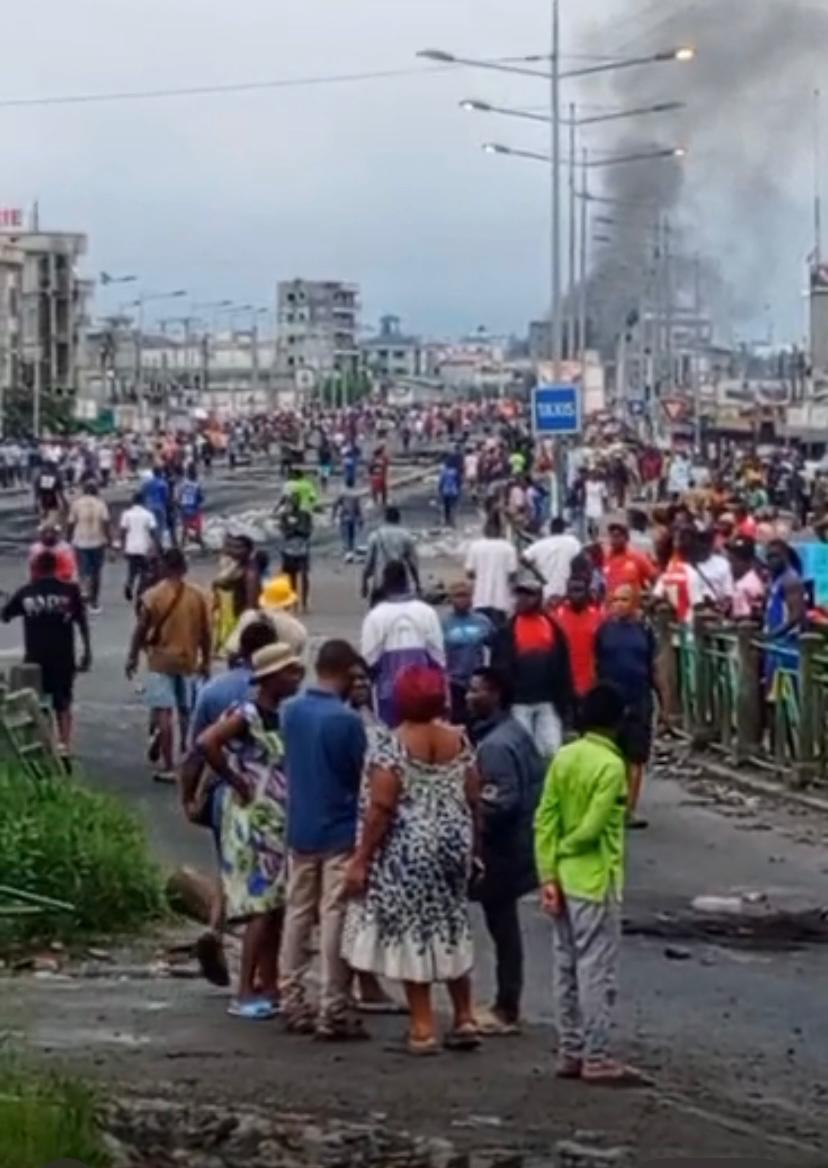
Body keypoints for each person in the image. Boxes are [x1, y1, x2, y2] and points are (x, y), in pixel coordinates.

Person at [342, 665, 481, 1055]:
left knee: (413, 933)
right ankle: (465, 1016)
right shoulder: (460, 741)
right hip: (454, 844)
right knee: (451, 924)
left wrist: (361, 859)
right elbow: (473, 796)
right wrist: (476, 847)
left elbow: (381, 808)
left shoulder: (392, 745)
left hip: (409, 850)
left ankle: (422, 1027)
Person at [535, 682, 637, 1083]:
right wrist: (567, 849)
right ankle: (596, 1055)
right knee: (596, 970)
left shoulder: (564, 756)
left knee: (565, 967)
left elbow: (545, 818)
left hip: (561, 880)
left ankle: (570, 1050)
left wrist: (549, 870)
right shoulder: (611, 766)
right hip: (595, 879)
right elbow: (593, 828)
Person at [198, 642, 304, 1019]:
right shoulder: (247, 714)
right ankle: (244, 989)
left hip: (274, 817)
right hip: (252, 820)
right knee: (260, 907)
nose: (297, 677)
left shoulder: (282, 715)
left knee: (275, 907)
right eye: (290, 672)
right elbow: (207, 742)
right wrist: (235, 780)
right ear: (270, 678)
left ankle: (269, 983)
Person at [181, 617, 280, 986]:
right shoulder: (276, 693)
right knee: (264, 881)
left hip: (221, 794)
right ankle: (258, 968)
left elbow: (194, 753)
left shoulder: (213, 690)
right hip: (262, 796)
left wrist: (188, 797)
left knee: (228, 865)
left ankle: (216, 930)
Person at [279, 639, 369, 1040]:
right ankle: (333, 1004)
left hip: (301, 825)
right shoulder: (346, 721)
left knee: (298, 912)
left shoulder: (291, 711)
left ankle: (292, 997)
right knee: (334, 915)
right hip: (339, 828)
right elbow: (361, 775)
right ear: (347, 672)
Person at [467, 667, 544, 1036]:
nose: (469, 697)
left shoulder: (496, 746)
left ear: (496, 694)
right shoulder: (515, 733)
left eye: (477, 691)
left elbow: (500, 801)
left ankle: (506, 1005)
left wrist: (471, 814)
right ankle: (506, 1000)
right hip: (521, 842)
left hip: (503, 848)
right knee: (504, 926)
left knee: (502, 926)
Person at [126, 548, 211, 783]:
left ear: (163, 567)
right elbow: (206, 632)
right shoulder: (198, 596)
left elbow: (141, 628)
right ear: (184, 568)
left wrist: (132, 656)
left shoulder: (153, 595)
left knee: (163, 712)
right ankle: (187, 756)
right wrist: (206, 661)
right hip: (187, 660)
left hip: (160, 660)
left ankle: (169, 766)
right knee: (186, 712)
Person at [1, 549, 91, 759]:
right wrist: (87, 651)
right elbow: (82, 622)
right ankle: (64, 744)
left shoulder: (26, 592)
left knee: (37, 702)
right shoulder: (70, 591)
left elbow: (5, 616)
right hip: (63, 655)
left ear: (35, 569)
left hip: (35, 657)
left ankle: (44, 742)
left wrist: (9, 601)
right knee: (63, 701)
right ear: (56, 567)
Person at [595, 584, 661, 827]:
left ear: (634, 604)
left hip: (639, 699)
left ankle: (629, 810)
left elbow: (653, 666)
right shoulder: (604, 631)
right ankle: (608, 806)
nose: (619, 605)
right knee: (610, 755)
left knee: (635, 756)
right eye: (615, 600)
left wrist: (663, 701)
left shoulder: (644, 630)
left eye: (624, 600)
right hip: (611, 701)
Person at [492, 575, 572, 760]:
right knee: (522, 752)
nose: (522, 599)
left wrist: (566, 703)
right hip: (518, 702)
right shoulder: (507, 629)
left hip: (548, 701)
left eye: (529, 595)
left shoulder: (552, 627)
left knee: (552, 751)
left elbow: (563, 666)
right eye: (519, 595)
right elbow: (499, 666)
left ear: (539, 598)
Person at [361, 560, 445, 726]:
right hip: (425, 694)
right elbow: (439, 659)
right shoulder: (427, 612)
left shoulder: (375, 616)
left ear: (384, 583)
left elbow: (368, 662)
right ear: (407, 581)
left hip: (388, 696)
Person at [442, 580, 494, 725]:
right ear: (451, 598)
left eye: (465, 595)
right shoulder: (443, 623)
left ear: (471, 597)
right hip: (454, 682)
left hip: (477, 683)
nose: (462, 599)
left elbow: (496, 646)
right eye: (457, 596)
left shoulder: (483, 621)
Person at [554, 575, 604, 700]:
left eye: (579, 590)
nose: (575, 595)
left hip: (591, 685)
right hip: (564, 686)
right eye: (572, 590)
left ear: (587, 592)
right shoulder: (556, 617)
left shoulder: (599, 617)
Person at [465, 515, 518, 627]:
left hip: (480, 599)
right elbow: (512, 574)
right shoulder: (508, 548)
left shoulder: (475, 547)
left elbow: (469, 573)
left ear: (484, 529)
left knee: (482, 630)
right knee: (499, 631)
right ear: (500, 530)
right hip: (501, 600)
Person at [67, 479, 111, 614]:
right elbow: (106, 523)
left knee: (83, 571)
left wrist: (68, 539)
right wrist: (109, 540)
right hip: (98, 541)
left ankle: (83, 595)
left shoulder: (76, 504)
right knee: (96, 572)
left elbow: (71, 523)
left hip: (80, 541)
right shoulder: (100, 504)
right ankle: (94, 601)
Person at [361, 506, 420, 601]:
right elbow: (413, 563)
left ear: (385, 519)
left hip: (381, 581)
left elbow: (368, 563)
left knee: (379, 609)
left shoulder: (375, 535)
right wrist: (417, 583)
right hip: (400, 581)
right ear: (399, 519)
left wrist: (364, 582)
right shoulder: (406, 535)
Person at [522, 517, 582, 604]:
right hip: (566, 591)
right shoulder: (573, 542)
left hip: (546, 591)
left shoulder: (540, 544)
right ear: (564, 529)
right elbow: (581, 558)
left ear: (550, 529)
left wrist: (536, 573)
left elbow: (523, 558)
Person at [603, 522, 657, 603]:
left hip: (632, 606)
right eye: (611, 536)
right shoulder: (605, 558)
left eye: (617, 536)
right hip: (610, 606)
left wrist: (650, 599)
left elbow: (655, 578)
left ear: (626, 538)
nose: (614, 540)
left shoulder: (637, 557)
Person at [120, 492, 159, 602]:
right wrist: (156, 546)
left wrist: (122, 546)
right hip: (144, 548)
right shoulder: (148, 515)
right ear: (143, 501)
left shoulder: (126, 514)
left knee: (132, 570)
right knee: (145, 571)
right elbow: (153, 532)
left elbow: (123, 531)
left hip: (131, 547)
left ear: (133, 501)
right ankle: (140, 591)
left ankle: (129, 584)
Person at [279, 494, 313, 613]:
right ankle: (293, 602)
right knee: (291, 578)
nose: (294, 503)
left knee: (304, 576)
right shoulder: (284, 516)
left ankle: (304, 603)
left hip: (302, 549)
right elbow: (284, 532)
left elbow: (307, 531)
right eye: (292, 501)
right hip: (288, 550)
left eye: (296, 501)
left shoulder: (305, 515)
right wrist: (297, 530)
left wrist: (294, 530)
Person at [729, 537, 765, 621]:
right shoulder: (737, 579)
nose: (732, 564)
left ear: (748, 561)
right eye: (731, 560)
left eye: (736, 560)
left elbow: (757, 613)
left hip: (747, 625)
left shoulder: (752, 582)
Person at [140, 466, 172, 548]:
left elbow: (143, 494)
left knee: (151, 526)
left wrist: (144, 504)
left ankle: (152, 544)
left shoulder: (147, 483)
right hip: (160, 507)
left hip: (149, 507)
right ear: (160, 473)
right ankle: (160, 544)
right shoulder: (163, 483)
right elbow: (166, 497)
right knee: (161, 526)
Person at [332, 487, 363, 562]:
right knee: (351, 535)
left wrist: (333, 515)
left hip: (344, 517)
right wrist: (360, 519)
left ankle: (348, 552)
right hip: (352, 518)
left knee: (345, 535)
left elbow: (335, 504)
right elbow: (358, 509)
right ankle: (350, 551)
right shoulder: (355, 494)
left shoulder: (343, 493)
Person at [178, 465, 206, 551]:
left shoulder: (183, 484)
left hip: (184, 509)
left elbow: (179, 496)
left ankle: (182, 545)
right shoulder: (197, 485)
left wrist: (180, 505)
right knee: (198, 527)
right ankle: (200, 542)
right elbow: (200, 498)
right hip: (194, 509)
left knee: (185, 528)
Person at [33, 460, 66, 526]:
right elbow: (60, 492)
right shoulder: (56, 476)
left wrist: (35, 503)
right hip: (52, 499)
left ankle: (44, 526)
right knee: (54, 519)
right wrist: (64, 503)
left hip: (43, 499)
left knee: (43, 519)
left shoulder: (39, 476)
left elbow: (37, 491)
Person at [437, 456, 462, 528]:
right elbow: (459, 482)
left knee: (446, 507)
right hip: (454, 491)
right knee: (453, 507)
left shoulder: (444, 472)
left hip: (445, 491)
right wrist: (458, 489)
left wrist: (440, 490)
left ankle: (447, 521)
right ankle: (453, 522)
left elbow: (441, 482)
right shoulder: (455, 472)